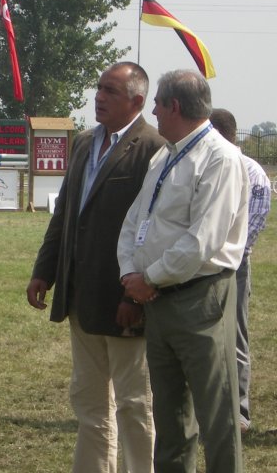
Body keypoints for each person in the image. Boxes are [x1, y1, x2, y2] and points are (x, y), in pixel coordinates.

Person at [28, 62, 163, 473]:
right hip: (80, 297)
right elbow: (66, 212)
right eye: (98, 88)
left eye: (110, 91)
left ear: (137, 101)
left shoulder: (153, 148)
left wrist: (133, 296)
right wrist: (44, 270)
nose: (98, 97)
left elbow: (152, 230)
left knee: (134, 403)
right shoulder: (85, 143)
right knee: (88, 401)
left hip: (124, 301)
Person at [119, 70, 249, 473]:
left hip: (200, 298)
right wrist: (130, 275)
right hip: (157, 300)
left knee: (217, 416)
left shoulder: (221, 158)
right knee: (171, 417)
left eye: (157, 102)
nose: (153, 110)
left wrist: (148, 278)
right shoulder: (166, 155)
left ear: (174, 106)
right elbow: (134, 221)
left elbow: (202, 241)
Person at [208, 108, 271, 433]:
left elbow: (255, 221)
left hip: (234, 265)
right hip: (200, 265)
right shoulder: (209, 167)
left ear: (218, 133)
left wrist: (224, 253)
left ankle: (239, 412)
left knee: (235, 337)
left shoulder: (251, 171)